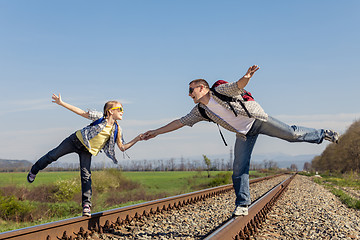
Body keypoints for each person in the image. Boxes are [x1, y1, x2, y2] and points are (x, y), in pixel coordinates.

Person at [143, 65, 339, 216]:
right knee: (239, 168)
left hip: (258, 120)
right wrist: (156, 132)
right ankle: (243, 205)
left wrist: (246, 77)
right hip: (244, 134)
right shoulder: (200, 111)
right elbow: (180, 122)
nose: (189, 94)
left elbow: (237, 86)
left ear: (202, 87)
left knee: (292, 134)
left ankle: (323, 134)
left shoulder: (219, 91)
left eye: (191, 90)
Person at [27, 94, 143, 217]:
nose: (122, 112)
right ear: (110, 111)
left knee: (86, 175)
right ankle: (34, 170)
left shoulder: (117, 129)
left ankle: (86, 205)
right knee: (53, 155)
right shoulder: (100, 117)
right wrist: (62, 103)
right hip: (74, 141)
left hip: (87, 151)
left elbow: (122, 147)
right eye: (120, 109)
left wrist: (137, 139)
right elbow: (80, 112)